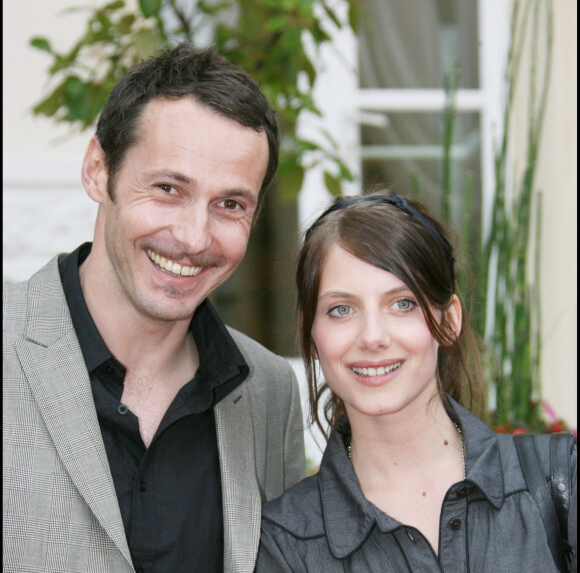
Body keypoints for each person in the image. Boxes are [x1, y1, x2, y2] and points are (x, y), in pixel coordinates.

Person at [3, 43, 306, 573]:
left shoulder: (267, 392)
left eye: (230, 204)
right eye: (168, 188)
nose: (194, 237)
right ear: (98, 170)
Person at [256, 190, 577, 572]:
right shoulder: (284, 544)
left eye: (402, 303)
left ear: (449, 320)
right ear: (311, 335)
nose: (372, 336)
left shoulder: (559, 480)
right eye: (341, 310)